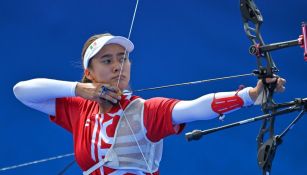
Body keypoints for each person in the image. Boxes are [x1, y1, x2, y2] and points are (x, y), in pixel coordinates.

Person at [13, 33, 286, 175]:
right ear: (89, 72)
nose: (118, 66)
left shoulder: (145, 111)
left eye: (123, 58)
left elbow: (194, 108)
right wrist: (78, 90)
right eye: (107, 61)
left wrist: (250, 96)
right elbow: (22, 91)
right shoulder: (79, 109)